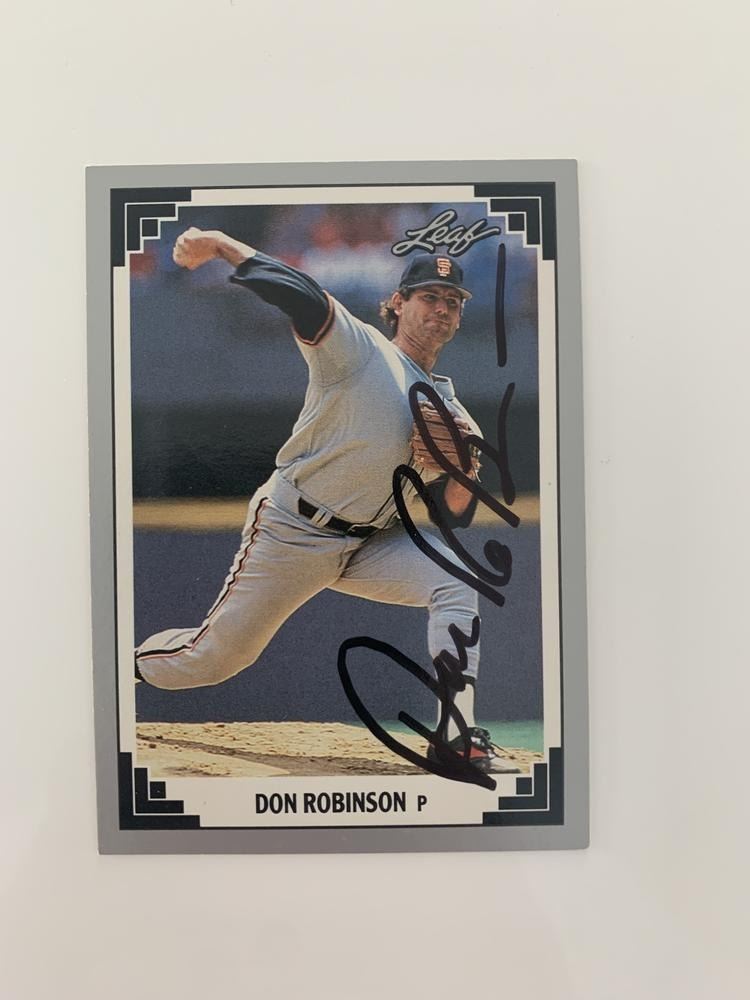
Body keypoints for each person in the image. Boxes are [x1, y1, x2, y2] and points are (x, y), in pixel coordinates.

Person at [134, 227, 519, 775]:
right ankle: (119, 672)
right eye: (428, 296)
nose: (441, 309)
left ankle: (455, 736)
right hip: (295, 530)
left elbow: (455, 518)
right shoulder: (360, 350)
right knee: (213, 660)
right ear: (397, 303)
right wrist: (221, 245)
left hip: (370, 544)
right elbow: (300, 294)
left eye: (452, 301)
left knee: (457, 579)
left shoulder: (453, 412)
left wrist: (463, 470)